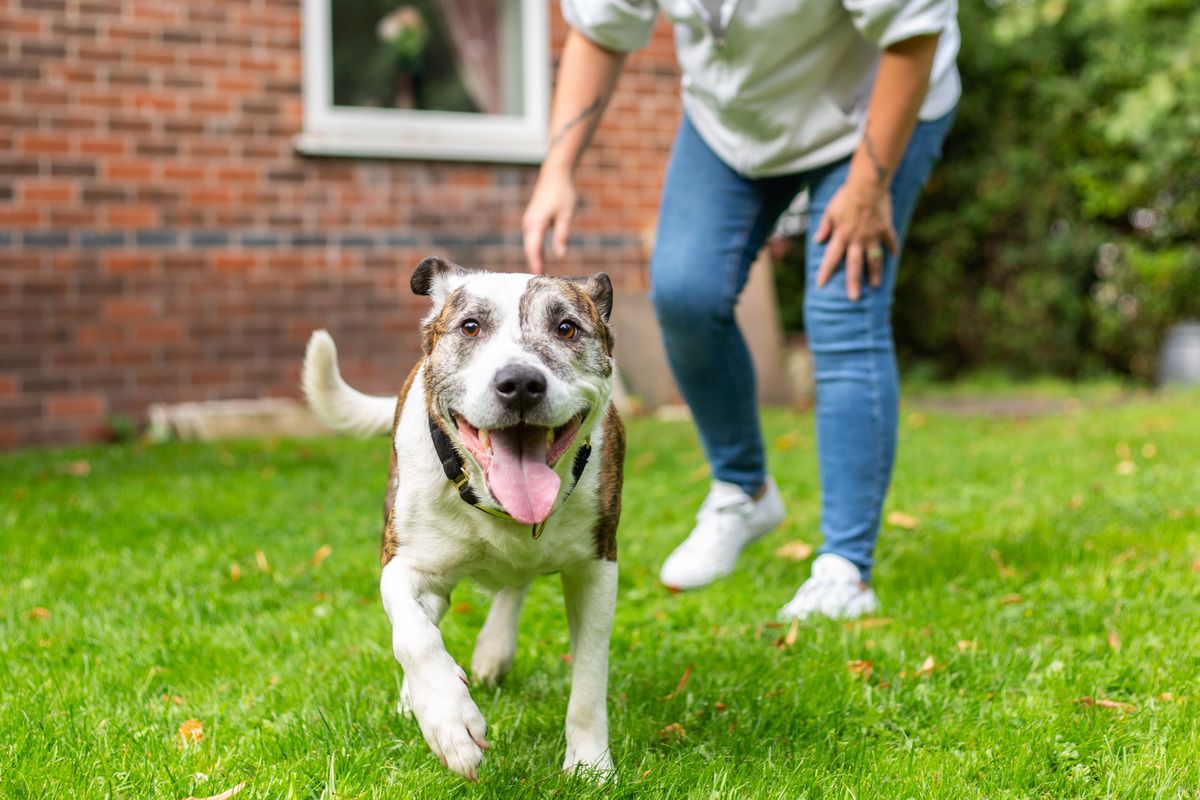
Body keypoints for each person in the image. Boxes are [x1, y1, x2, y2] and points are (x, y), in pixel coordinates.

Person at [523, 0, 960, 620]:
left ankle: (845, 570)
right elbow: (600, 31)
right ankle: (744, 489)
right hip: (733, 125)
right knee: (686, 293)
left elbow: (914, 32)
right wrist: (557, 169)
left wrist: (868, 187)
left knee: (844, 304)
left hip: (872, 107)